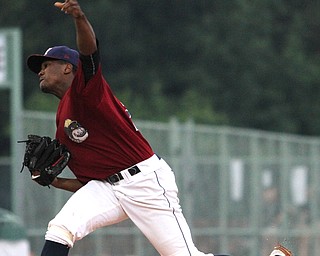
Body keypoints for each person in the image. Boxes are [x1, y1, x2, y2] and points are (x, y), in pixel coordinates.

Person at [27, 1, 228, 256]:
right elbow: (89, 182)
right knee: (61, 227)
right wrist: (55, 181)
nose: (40, 72)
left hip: (145, 181)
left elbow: (89, 53)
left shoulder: (86, 90)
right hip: (108, 188)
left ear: (68, 67)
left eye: (46, 65)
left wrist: (79, 17)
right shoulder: (63, 121)